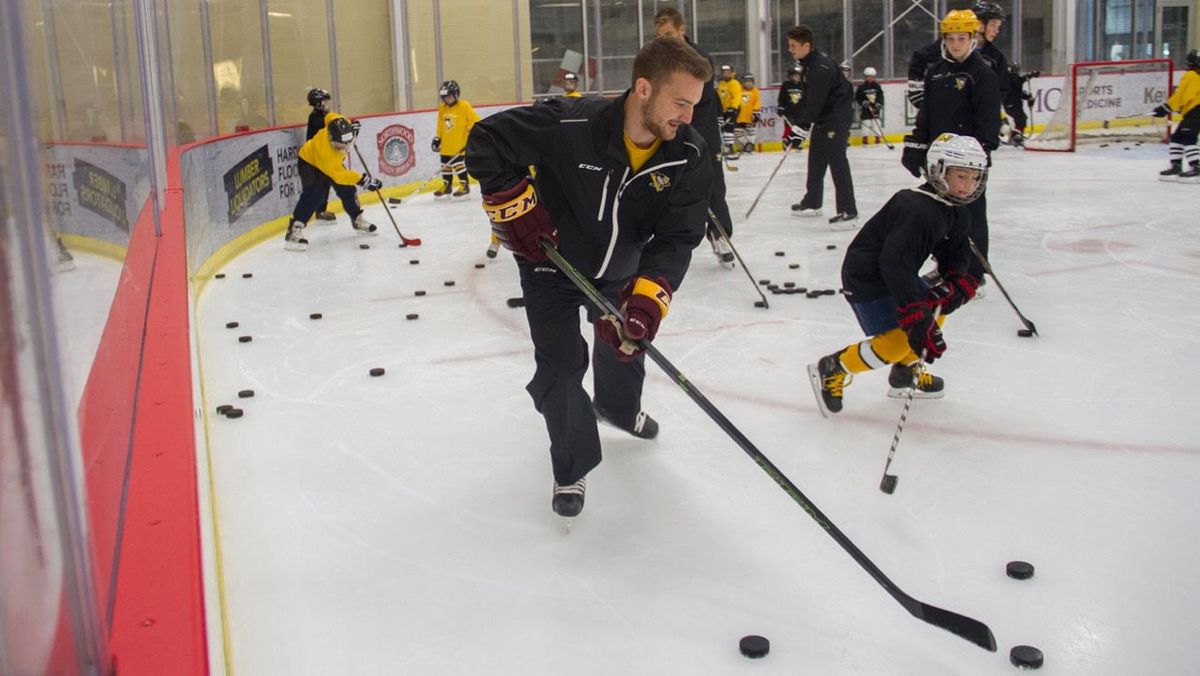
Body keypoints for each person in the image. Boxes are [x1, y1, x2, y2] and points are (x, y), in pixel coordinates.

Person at [464, 37, 713, 518]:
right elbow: (486, 141)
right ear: (643, 88)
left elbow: (679, 237)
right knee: (559, 368)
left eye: (694, 105)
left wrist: (647, 300)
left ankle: (619, 409)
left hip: (622, 270)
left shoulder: (689, 154)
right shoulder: (571, 123)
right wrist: (515, 206)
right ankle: (572, 463)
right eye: (680, 103)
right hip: (549, 263)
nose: (688, 116)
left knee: (627, 341)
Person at [807, 133, 988, 416]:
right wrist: (915, 315)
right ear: (939, 170)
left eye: (975, 178)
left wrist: (957, 281)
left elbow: (956, 252)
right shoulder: (916, 208)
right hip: (867, 277)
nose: (968, 186)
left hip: (896, 274)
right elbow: (894, 264)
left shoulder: (956, 211)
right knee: (896, 342)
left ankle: (905, 373)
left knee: (938, 303)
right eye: (961, 176)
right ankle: (834, 367)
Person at [902, 9, 1000, 286]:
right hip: (940, 160)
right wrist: (916, 146)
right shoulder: (935, 72)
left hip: (968, 163)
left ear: (972, 38)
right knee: (941, 217)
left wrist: (977, 156)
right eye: (951, 38)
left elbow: (988, 123)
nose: (956, 43)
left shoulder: (981, 74)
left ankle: (974, 274)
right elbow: (926, 116)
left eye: (961, 38)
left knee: (970, 217)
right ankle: (947, 267)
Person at [653, 7, 735, 269]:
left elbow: (699, 101)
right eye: (659, 35)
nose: (664, 40)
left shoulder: (700, 58)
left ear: (682, 30)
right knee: (666, 188)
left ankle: (720, 236)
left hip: (702, 133)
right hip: (671, 131)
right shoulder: (659, 58)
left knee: (712, 186)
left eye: (668, 34)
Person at [786, 25, 859, 228]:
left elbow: (815, 103)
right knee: (816, 159)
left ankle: (849, 211)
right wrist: (796, 127)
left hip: (835, 119)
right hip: (824, 118)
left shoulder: (819, 67)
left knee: (838, 163)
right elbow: (809, 99)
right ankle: (812, 202)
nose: (790, 49)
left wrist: (800, 128)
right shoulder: (809, 64)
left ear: (806, 45)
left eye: (793, 45)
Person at [284, 115, 380, 251]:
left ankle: (357, 219)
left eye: (349, 142)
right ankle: (294, 229)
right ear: (331, 138)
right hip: (310, 162)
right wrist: (363, 180)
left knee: (348, 190)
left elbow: (330, 116)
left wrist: (352, 124)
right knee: (316, 193)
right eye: (341, 145)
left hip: (330, 163)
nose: (346, 148)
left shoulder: (339, 124)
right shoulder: (327, 154)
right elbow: (339, 176)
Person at [1154, 48, 1200, 182]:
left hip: (1196, 111)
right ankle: (1176, 166)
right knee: (1178, 137)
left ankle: (1196, 168)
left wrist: (1166, 108)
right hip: (1193, 111)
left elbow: (1181, 96)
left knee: (1188, 137)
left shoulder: (1191, 75)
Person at [431, 80, 480, 199]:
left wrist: (474, 134)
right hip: (446, 144)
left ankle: (465, 186)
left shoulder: (464, 106)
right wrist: (437, 138)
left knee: (458, 165)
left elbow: (475, 121)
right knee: (445, 165)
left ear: (456, 94)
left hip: (459, 144)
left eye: (449, 96)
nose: (447, 99)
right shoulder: (442, 108)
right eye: (445, 97)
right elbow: (440, 125)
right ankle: (447, 186)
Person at [305, 88, 338, 221]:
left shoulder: (322, 116)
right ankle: (319, 211)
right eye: (324, 102)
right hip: (317, 156)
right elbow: (327, 129)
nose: (327, 104)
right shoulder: (315, 117)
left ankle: (321, 210)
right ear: (318, 103)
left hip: (323, 155)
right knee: (322, 184)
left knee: (326, 184)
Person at [716, 65, 744, 159]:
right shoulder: (720, 84)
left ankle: (730, 148)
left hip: (731, 109)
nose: (726, 74)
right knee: (722, 129)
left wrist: (734, 107)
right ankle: (726, 147)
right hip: (722, 110)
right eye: (724, 72)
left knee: (729, 128)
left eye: (728, 72)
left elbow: (737, 96)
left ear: (732, 73)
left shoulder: (735, 83)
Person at [778, 63, 806, 149]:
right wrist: (781, 107)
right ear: (790, 76)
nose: (797, 77)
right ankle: (786, 141)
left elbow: (806, 98)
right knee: (789, 127)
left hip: (800, 111)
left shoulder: (803, 85)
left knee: (800, 127)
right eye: (795, 75)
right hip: (789, 111)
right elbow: (782, 97)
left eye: (798, 75)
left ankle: (798, 142)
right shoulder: (786, 85)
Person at [855, 67, 885, 145]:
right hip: (866, 108)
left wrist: (879, 103)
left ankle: (877, 138)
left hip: (875, 107)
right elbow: (858, 97)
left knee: (876, 122)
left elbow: (880, 96)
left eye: (872, 77)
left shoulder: (877, 86)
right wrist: (863, 102)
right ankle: (865, 138)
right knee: (866, 122)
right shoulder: (861, 87)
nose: (870, 78)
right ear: (865, 77)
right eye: (868, 76)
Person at [735, 72, 761, 154]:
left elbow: (757, 103)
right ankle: (746, 145)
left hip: (750, 117)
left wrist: (756, 113)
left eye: (750, 81)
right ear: (743, 82)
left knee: (750, 133)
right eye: (746, 81)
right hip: (739, 117)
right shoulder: (738, 89)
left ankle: (750, 146)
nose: (749, 83)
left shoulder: (755, 91)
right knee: (738, 133)